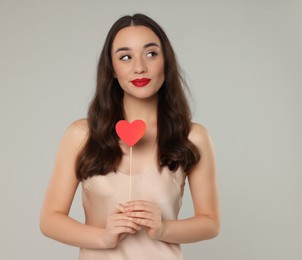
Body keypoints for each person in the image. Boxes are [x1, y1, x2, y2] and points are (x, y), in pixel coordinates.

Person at [40, 14, 220, 259]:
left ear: (166, 61)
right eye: (125, 57)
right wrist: (103, 237)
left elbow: (210, 223)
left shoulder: (193, 136)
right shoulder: (82, 135)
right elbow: (50, 220)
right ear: (112, 69)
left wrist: (164, 228)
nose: (139, 68)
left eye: (151, 54)